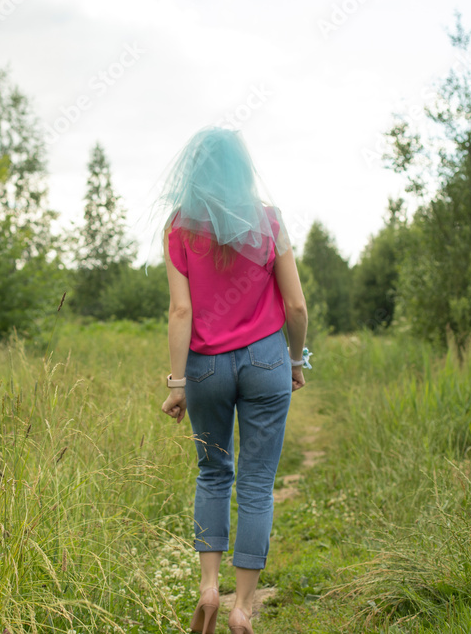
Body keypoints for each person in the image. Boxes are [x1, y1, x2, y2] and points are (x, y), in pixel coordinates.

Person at [156, 127, 309, 634]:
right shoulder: (270, 222)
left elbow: (181, 310)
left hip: (206, 366)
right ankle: (243, 608)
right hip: (266, 361)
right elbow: (296, 305)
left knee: (213, 474)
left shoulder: (178, 228)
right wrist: (294, 360)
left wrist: (178, 383)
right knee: (258, 484)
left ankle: (207, 587)